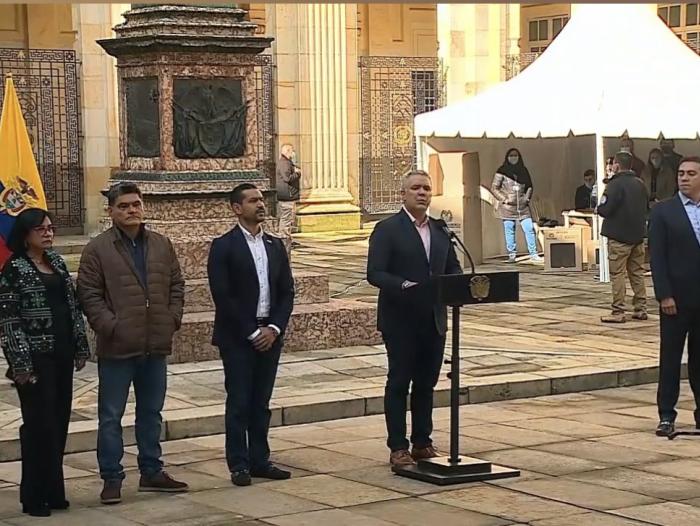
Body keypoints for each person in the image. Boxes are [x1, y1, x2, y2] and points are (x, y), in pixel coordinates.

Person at [77, 182, 187, 505]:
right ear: (111, 211)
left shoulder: (161, 245)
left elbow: (176, 284)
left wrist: (172, 318)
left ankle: (152, 471)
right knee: (111, 416)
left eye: (136, 204)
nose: (131, 210)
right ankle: (112, 477)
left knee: (151, 413)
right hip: (118, 348)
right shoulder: (97, 249)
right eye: (123, 206)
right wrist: (111, 326)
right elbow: (89, 295)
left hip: (155, 345)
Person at [367, 170, 462, 468]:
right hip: (401, 320)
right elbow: (375, 273)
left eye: (426, 189)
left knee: (426, 383)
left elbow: (453, 269)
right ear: (403, 194)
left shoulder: (440, 229)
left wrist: (462, 286)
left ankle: (422, 441)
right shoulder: (387, 229)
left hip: (433, 319)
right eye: (415, 188)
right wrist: (402, 285)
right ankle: (398, 446)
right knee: (399, 382)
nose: (422, 193)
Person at [0, 209, 90, 517]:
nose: (49, 233)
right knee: (38, 427)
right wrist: (21, 364)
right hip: (35, 360)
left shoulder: (58, 263)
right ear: (25, 235)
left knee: (59, 423)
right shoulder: (14, 269)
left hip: (62, 354)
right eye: (41, 230)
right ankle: (34, 495)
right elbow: (9, 320)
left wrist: (80, 346)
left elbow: (73, 308)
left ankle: (54, 490)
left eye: (51, 228)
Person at [207, 183, 295, 486]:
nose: (260, 204)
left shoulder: (275, 244)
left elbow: (286, 291)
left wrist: (273, 328)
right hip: (238, 337)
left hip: (270, 333)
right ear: (236, 208)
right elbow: (223, 294)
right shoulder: (224, 246)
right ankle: (239, 464)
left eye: (261, 199)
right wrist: (251, 331)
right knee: (240, 401)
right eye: (253, 200)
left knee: (262, 402)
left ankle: (260, 459)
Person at [649, 156, 700, 437]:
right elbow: (657, 257)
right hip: (675, 300)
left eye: (691, 173)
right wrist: (664, 294)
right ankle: (666, 414)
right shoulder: (664, 212)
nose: (684, 178)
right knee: (670, 358)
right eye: (681, 173)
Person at [597, 151, 649, 323]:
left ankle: (618, 311)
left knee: (617, 273)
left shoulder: (614, 185)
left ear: (617, 165)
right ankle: (641, 308)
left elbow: (604, 209)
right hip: (637, 235)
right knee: (637, 273)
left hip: (619, 236)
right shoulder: (640, 184)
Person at [491, 148, 543, 263]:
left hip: (523, 207)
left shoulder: (523, 170)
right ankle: (512, 255)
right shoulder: (502, 170)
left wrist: (526, 198)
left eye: (515, 155)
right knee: (509, 230)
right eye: (511, 155)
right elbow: (494, 188)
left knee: (529, 228)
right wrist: (504, 199)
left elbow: (529, 186)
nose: (513, 157)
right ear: (507, 157)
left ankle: (533, 253)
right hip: (508, 207)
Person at [275, 143, 302, 256]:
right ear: (287, 151)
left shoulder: (284, 162)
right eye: (292, 151)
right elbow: (287, 178)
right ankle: (284, 239)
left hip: (286, 195)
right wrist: (297, 174)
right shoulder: (285, 163)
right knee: (286, 219)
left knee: (286, 219)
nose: (293, 154)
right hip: (287, 196)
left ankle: (286, 238)